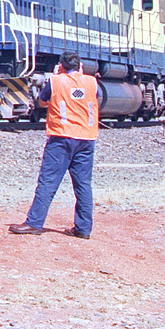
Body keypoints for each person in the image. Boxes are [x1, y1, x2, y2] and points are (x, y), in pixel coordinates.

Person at [9, 52, 98, 238]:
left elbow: (42, 101)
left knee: (48, 181)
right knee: (83, 184)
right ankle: (83, 229)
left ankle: (34, 223)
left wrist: (58, 78)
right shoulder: (91, 82)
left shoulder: (56, 81)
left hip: (61, 138)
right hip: (87, 139)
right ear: (80, 66)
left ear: (61, 66)